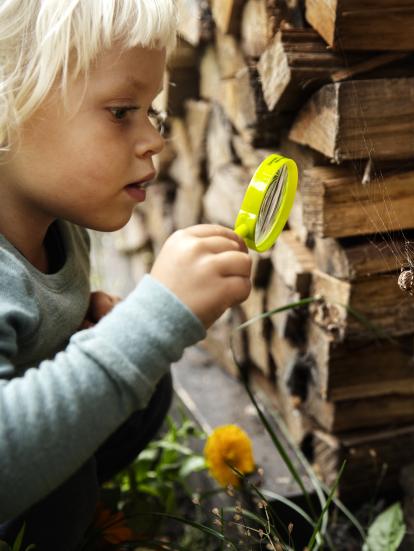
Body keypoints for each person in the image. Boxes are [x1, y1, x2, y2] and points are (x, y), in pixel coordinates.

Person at [0, 1, 252, 548]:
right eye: (121, 111)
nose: (155, 140)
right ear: (8, 103)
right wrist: (143, 328)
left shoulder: (60, 227)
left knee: (150, 379)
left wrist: (86, 336)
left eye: (152, 112)